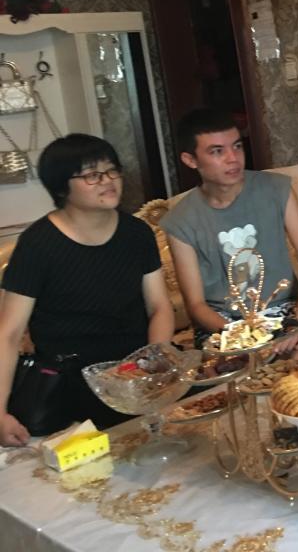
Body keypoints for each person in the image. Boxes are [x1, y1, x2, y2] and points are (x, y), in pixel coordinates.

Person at [0, 135, 174, 442]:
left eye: (112, 170)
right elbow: (10, 333)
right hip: (72, 381)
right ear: (60, 187)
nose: (107, 181)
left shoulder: (137, 233)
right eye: (92, 175)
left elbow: (159, 306)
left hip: (136, 370)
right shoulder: (38, 244)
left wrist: (154, 363)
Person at [161, 109, 298, 351]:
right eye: (217, 151)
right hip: (222, 323)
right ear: (190, 160)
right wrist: (244, 337)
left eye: (237, 146)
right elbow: (196, 304)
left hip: (284, 311)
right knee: (230, 370)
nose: (232, 158)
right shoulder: (180, 220)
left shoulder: (276, 189)